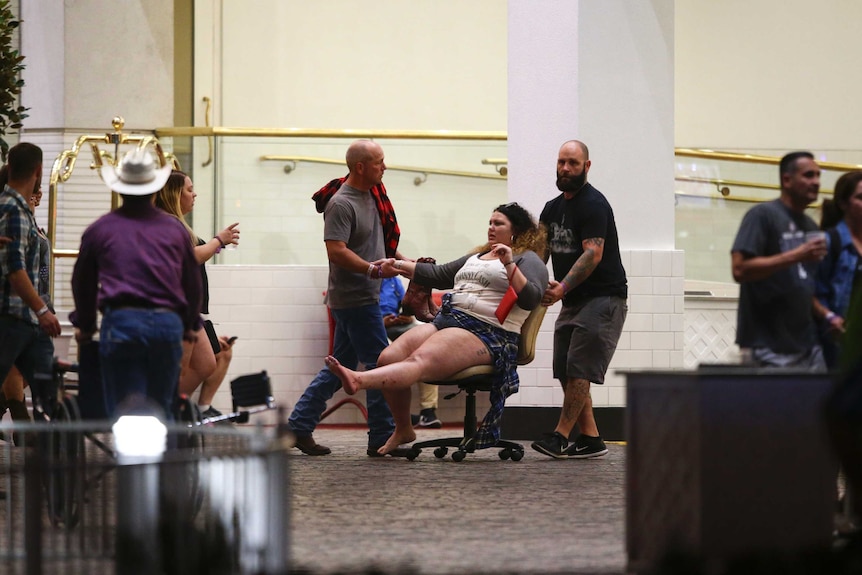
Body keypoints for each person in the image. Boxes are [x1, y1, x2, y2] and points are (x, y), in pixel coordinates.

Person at [325, 202, 549, 455]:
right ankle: (403, 429)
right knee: (387, 357)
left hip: (488, 332)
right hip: (451, 320)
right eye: (490, 222)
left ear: (516, 231)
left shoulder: (528, 260)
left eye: (498, 223)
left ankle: (359, 379)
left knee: (418, 360)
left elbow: (531, 298)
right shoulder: (477, 256)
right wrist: (395, 265)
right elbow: (438, 274)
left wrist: (509, 264)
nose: (491, 227)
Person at [288, 139, 408, 457]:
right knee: (380, 365)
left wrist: (408, 267)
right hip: (355, 298)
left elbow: (382, 245)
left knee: (339, 366)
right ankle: (382, 435)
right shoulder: (342, 203)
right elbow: (336, 251)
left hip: (364, 295)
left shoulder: (375, 195)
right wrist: (371, 271)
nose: (385, 167)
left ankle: (299, 426)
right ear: (360, 167)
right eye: (379, 162)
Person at [70, 148, 203, 419]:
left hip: (122, 324)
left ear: (119, 189)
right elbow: (192, 284)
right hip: (167, 327)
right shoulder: (174, 231)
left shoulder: (100, 229)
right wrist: (189, 326)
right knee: (163, 405)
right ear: (154, 190)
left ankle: (129, 454)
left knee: (125, 405)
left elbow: (82, 283)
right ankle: (165, 455)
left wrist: (85, 326)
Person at [532, 140, 628, 460]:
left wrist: (562, 288)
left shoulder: (593, 204)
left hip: (603, 298)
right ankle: (591, 438)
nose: (565, 169)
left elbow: (593, 253)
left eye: (573, 163)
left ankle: (560, 436)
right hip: (573, 300)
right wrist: (530, 282)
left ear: (587, 166)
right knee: (565, 368)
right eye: (561, 162)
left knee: (580, 369)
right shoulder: (552, 208)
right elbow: (539, 253)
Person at [730, 151, 828, 371]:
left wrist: (828, 316)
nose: (816, 182)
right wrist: (797, 254)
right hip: (769, 346)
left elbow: (804, 285)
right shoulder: (762, 215)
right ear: (786, 180)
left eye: (818, 176)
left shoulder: (810, 227)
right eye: (808, 175)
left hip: (807, 346)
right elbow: (739, 269)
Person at [155, 170, 239, 418]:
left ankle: (171, 407)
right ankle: (165, 410)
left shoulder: (175, 223)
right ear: (173, 194)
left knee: (205, 363)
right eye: (189, 189)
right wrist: (218, 241)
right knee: (183, 366)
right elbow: (189, 257)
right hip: (174, 308)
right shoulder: (167, 223)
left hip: (187, 308)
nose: (195, 194)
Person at [0, 143, 62, 423]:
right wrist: (41, 310)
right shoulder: (12, 209)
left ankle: (51, 444)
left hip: (28, 319)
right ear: (38, 170)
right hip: (12, 315)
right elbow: (16, 270)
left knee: (46, 380)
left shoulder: (23, 212)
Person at [0, 181, 51, 435]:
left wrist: (44, 306)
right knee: (16, 368)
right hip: (18, 309)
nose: (37, 196)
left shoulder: (37, 231)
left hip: (35, 307)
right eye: (33, 191)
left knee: (30, 370)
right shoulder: (15, 223)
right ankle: (22, 425)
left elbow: (41, 276)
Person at [813, 170, 862, 369]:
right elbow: (809, 290)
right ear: (843, 204)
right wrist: (829, 317)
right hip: (836, 340)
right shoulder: (828, 241)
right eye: (860, 197)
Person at [379, 275, 442, 428]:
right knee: (389, 354)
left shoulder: (393, 280)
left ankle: (428, 412)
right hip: (375, 326)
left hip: (397, 325)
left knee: (428, 347)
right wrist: (381, 321)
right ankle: (395, 414)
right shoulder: (364, 279)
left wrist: (407, 317)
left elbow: (406, 305)